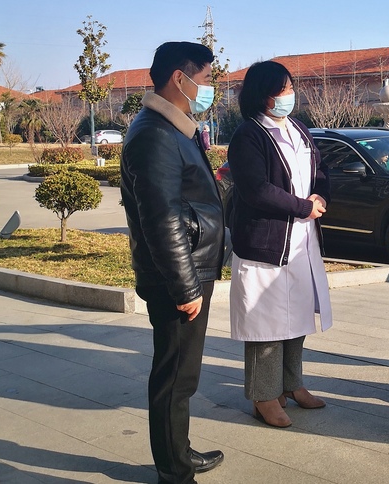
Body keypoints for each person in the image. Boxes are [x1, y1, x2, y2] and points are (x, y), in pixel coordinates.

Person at [120, 42, 225, 484]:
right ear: (179, 78)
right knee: (175, 377)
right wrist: (185, 287)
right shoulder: (155, 134)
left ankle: (178, 453)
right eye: (206, 79)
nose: (211, 88)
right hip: (178, 278)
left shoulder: (172, 128)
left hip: (189, 269)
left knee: (183, 374)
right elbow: (161, 218)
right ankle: (174, 472)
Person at [227, 60, 332, 428]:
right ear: (264, 95)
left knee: (297, 316)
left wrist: (320, 195)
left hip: (301, 241)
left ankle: (292, 384)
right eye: (283, 89)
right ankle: (264, 397)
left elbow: (320, 170)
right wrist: (303, 207)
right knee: (266, 324)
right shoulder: (249, 135)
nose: (290, 94)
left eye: (290, 87)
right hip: (266, 243)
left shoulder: (298, 128)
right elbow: (256, 189)